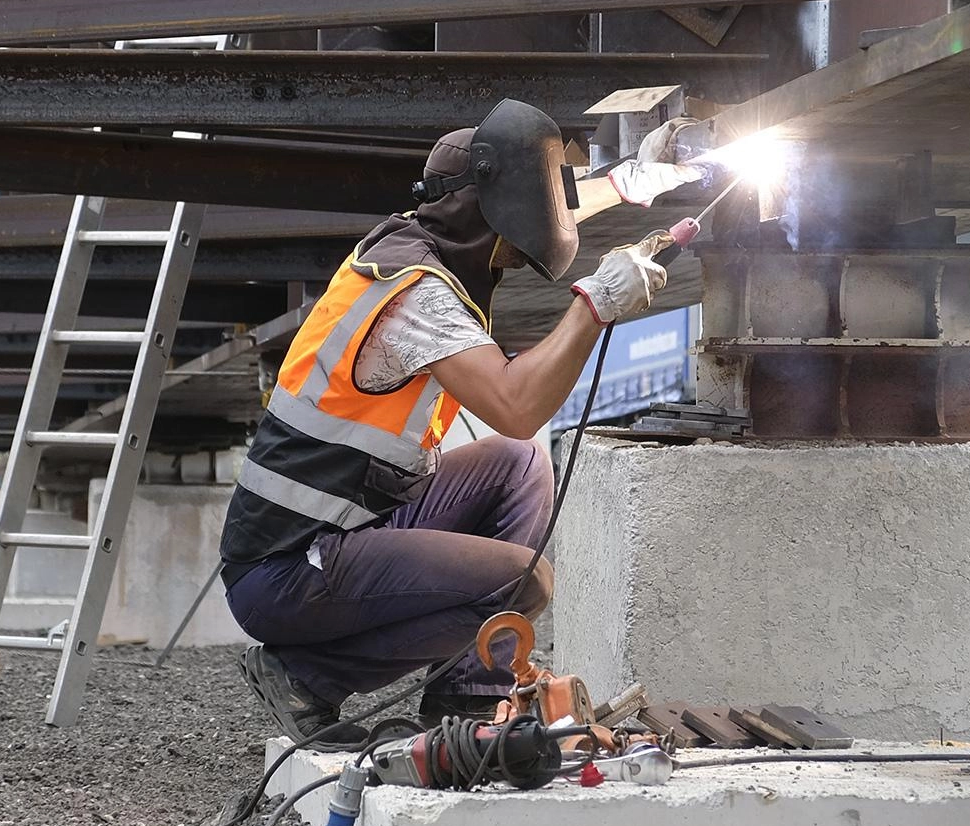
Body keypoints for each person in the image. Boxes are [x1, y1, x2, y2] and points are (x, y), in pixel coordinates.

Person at [219, 99, 703, 751]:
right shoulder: (419, 294)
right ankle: (305, 677)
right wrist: (597, 305)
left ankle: (466, 693)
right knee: (524, 579)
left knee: (517, 464)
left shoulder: (412, 239)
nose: (540, 220)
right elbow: (516, 404)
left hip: (343, 526)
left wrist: (630, 181)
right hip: (286, 571)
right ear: (488, 212)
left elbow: (541, 204)